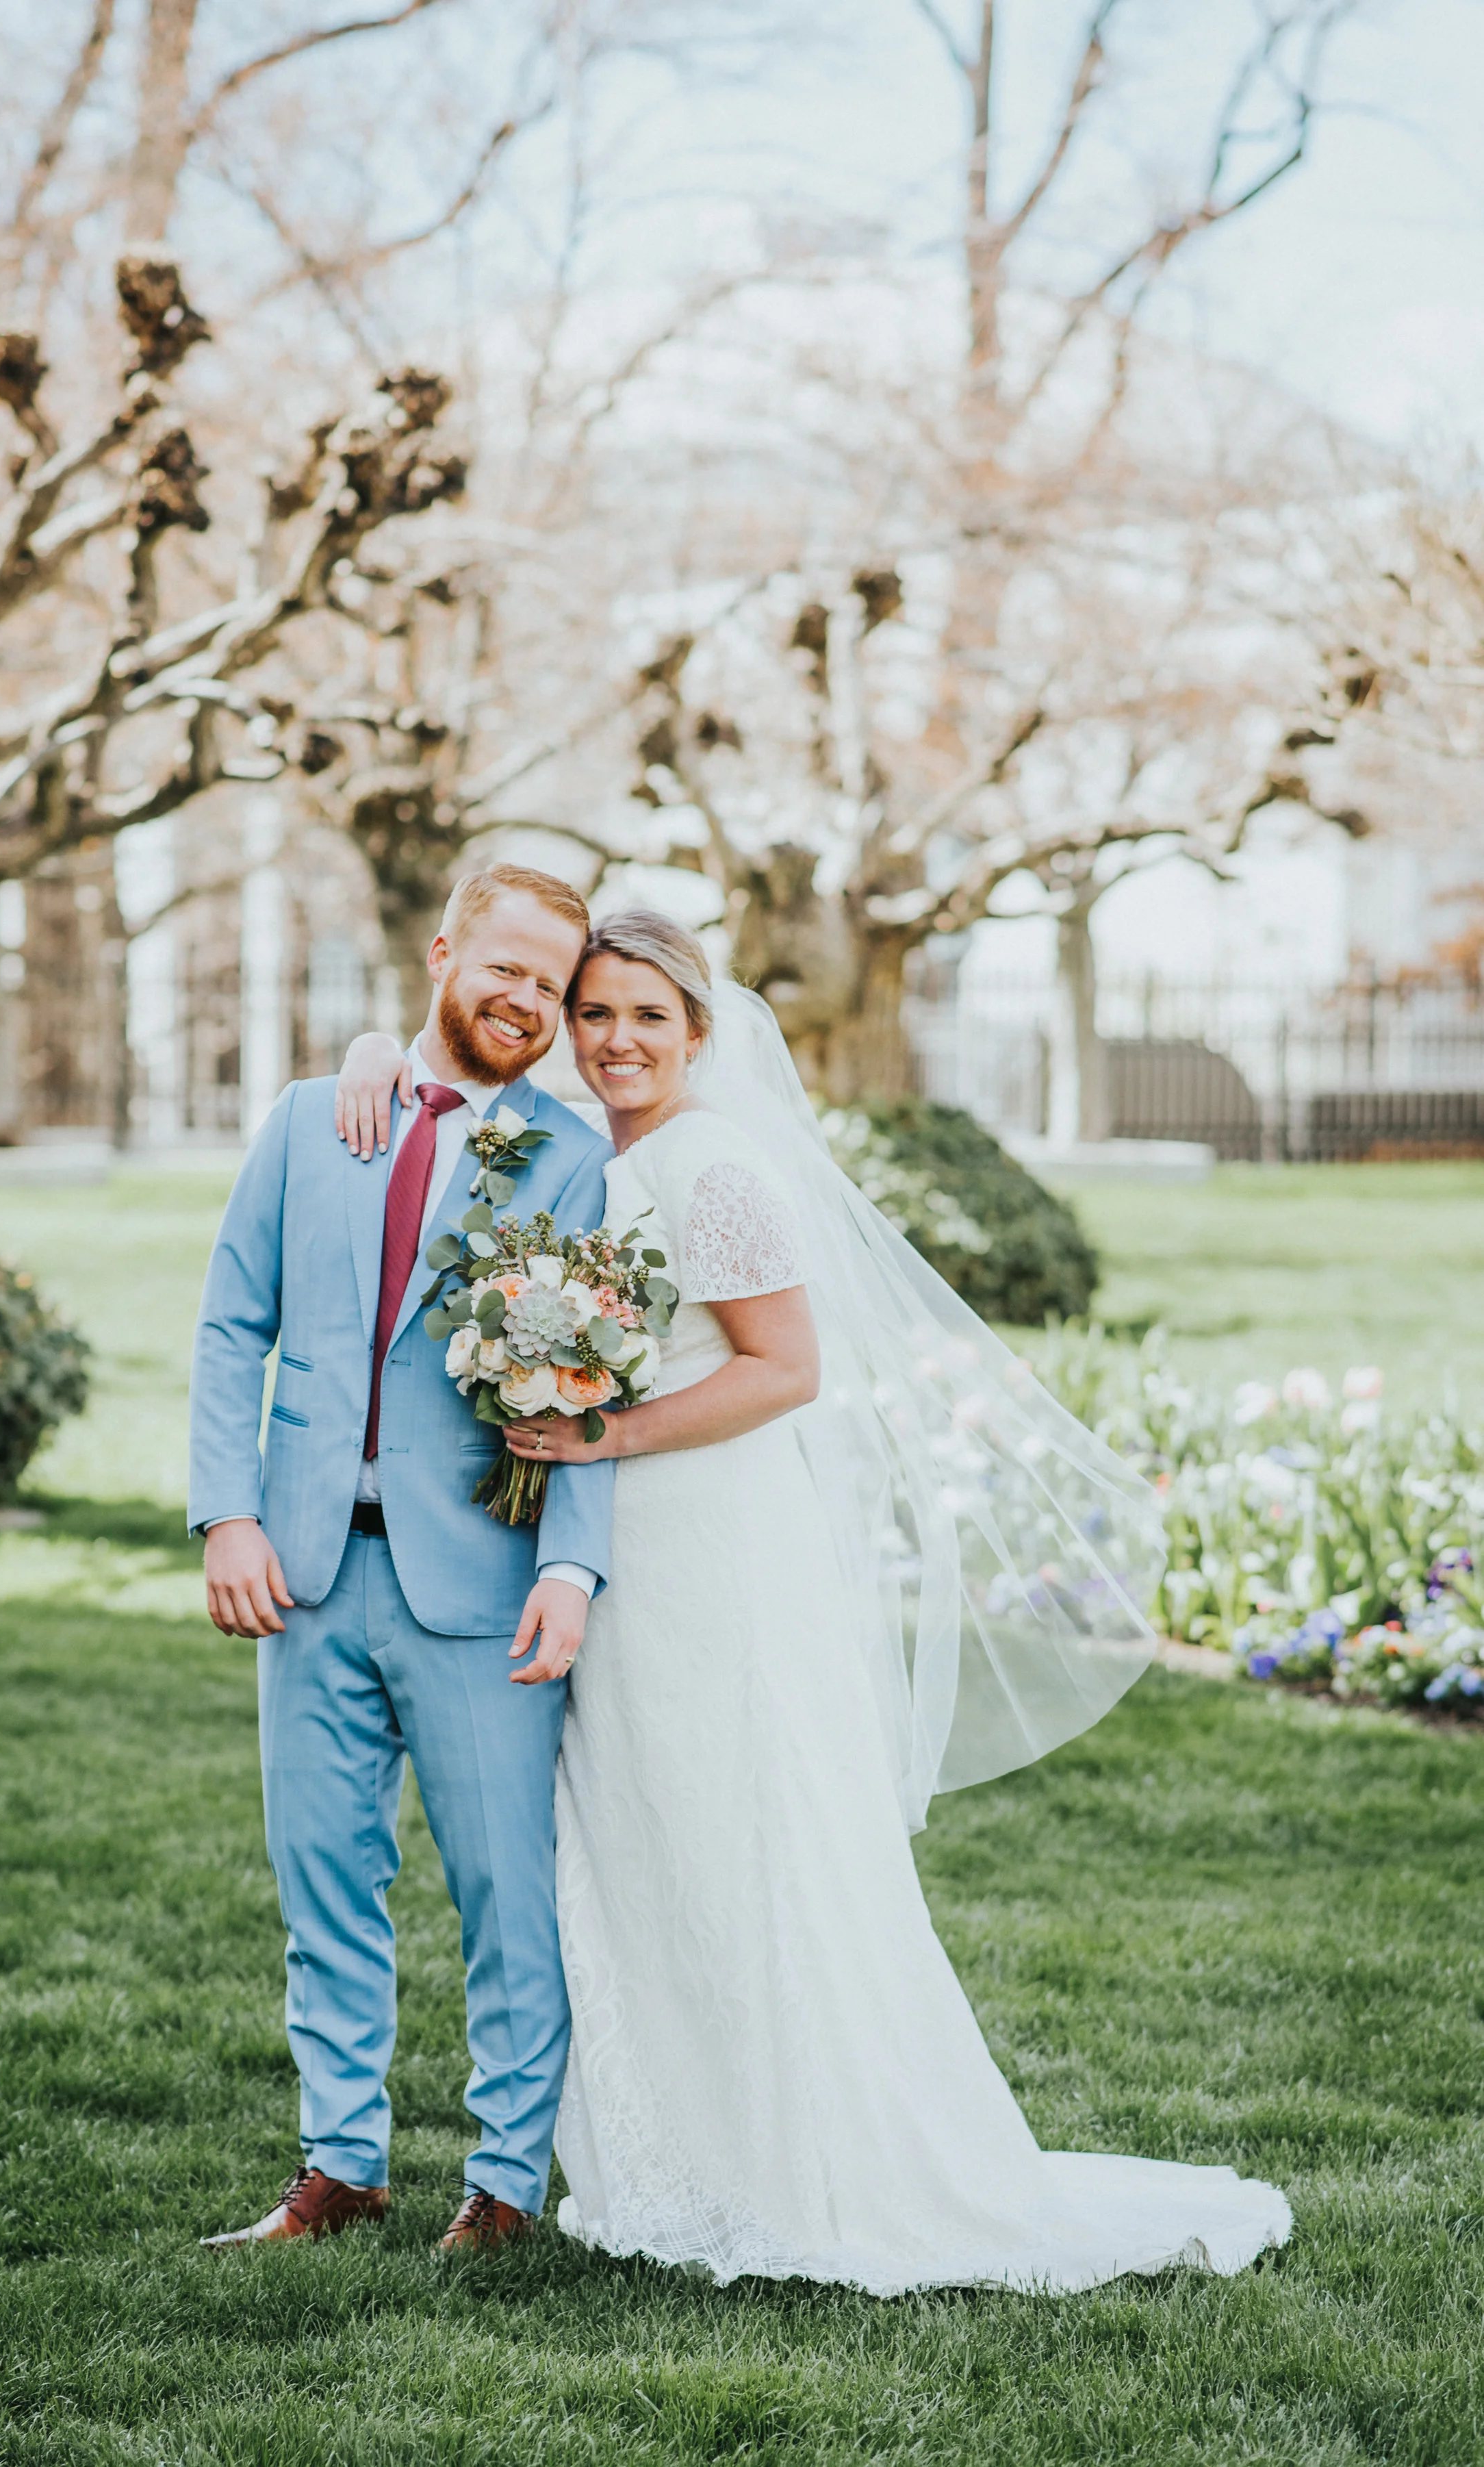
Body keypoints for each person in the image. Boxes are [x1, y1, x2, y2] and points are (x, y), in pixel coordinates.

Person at [331, 907, 1292, 2293]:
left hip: (711, 1541)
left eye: (646, 1018)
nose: (612, 1040)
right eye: (593, 1014)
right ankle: (683, 2158)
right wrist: (373, 1042)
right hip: (610, 1549)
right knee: (641, 1835)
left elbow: (785, 1367)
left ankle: (810, 2167)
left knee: (745, 1833)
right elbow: (446, 1073)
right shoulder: (584, 1147)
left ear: (699, 1035)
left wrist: (603, 1435)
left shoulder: (710, 1166)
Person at [188, 863, 615, 2256]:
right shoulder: (314, 1118)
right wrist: (226, 1512)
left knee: (504, 1893)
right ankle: (339, 2165)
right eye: (504, 967)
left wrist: (573, 1566)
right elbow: (229, 1326)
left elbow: (593, 1377)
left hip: (482, 1580)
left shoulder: (570, 1153)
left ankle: (501, 2183)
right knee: (323, 1881)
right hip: (305, 1564)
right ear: (441, 951)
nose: (525, 1000)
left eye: (550, 987)